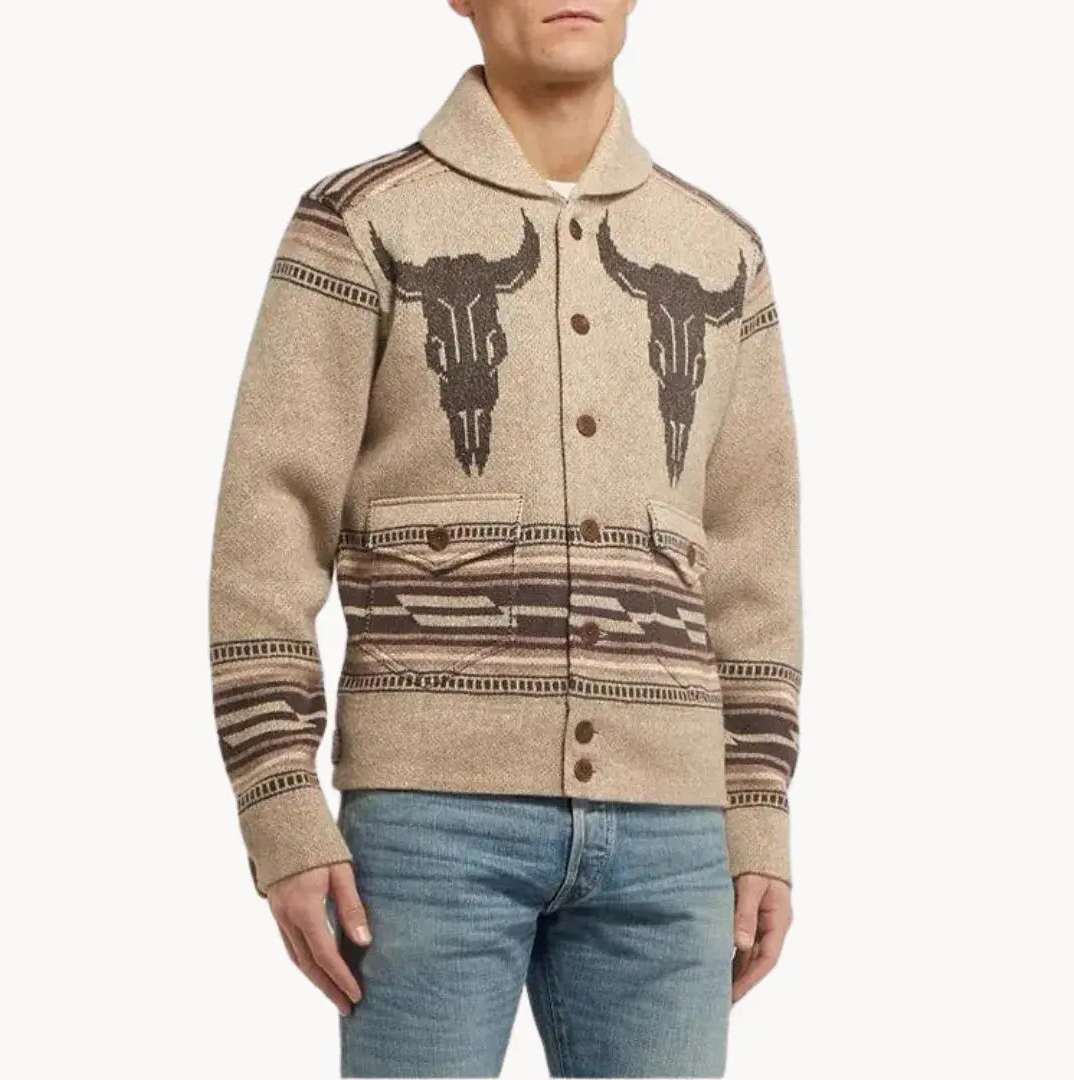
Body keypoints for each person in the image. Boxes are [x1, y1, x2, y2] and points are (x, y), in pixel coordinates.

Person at [208, 1, 803, 1075]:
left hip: (676, 832)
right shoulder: (360, 222)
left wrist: (757, 810)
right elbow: (267, 529)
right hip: (427, 825)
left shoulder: (723, 252)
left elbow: (754, 558)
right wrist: (281, 805)